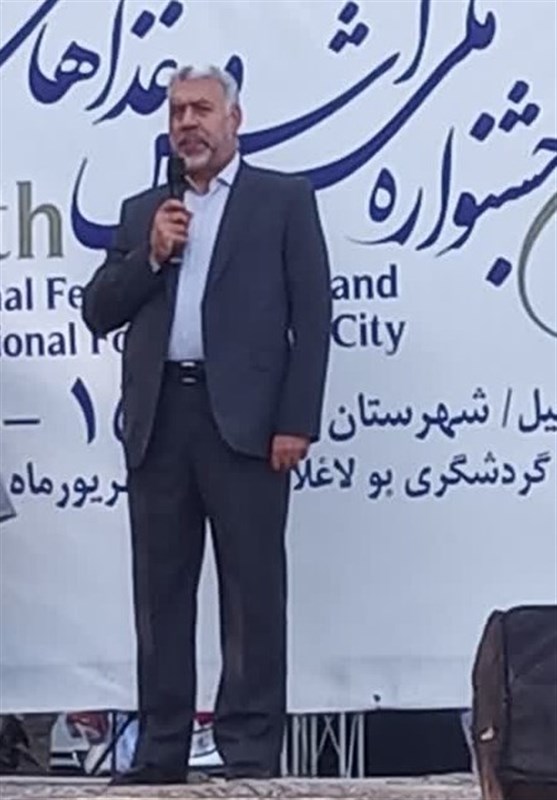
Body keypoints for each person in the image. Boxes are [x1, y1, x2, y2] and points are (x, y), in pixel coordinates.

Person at [82, 64, 331, 786]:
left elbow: (312, 318)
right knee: (160, 594)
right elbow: (99, 310)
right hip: (160, 419)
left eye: (201, 109)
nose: (187, 123)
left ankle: (247, 747)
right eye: (176, 112)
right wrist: (151, 254)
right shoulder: (145, 211)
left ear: (233, 119)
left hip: (247, 424)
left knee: (251, 590)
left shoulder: (281, 201)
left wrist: (296, 421)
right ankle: (161, 748)